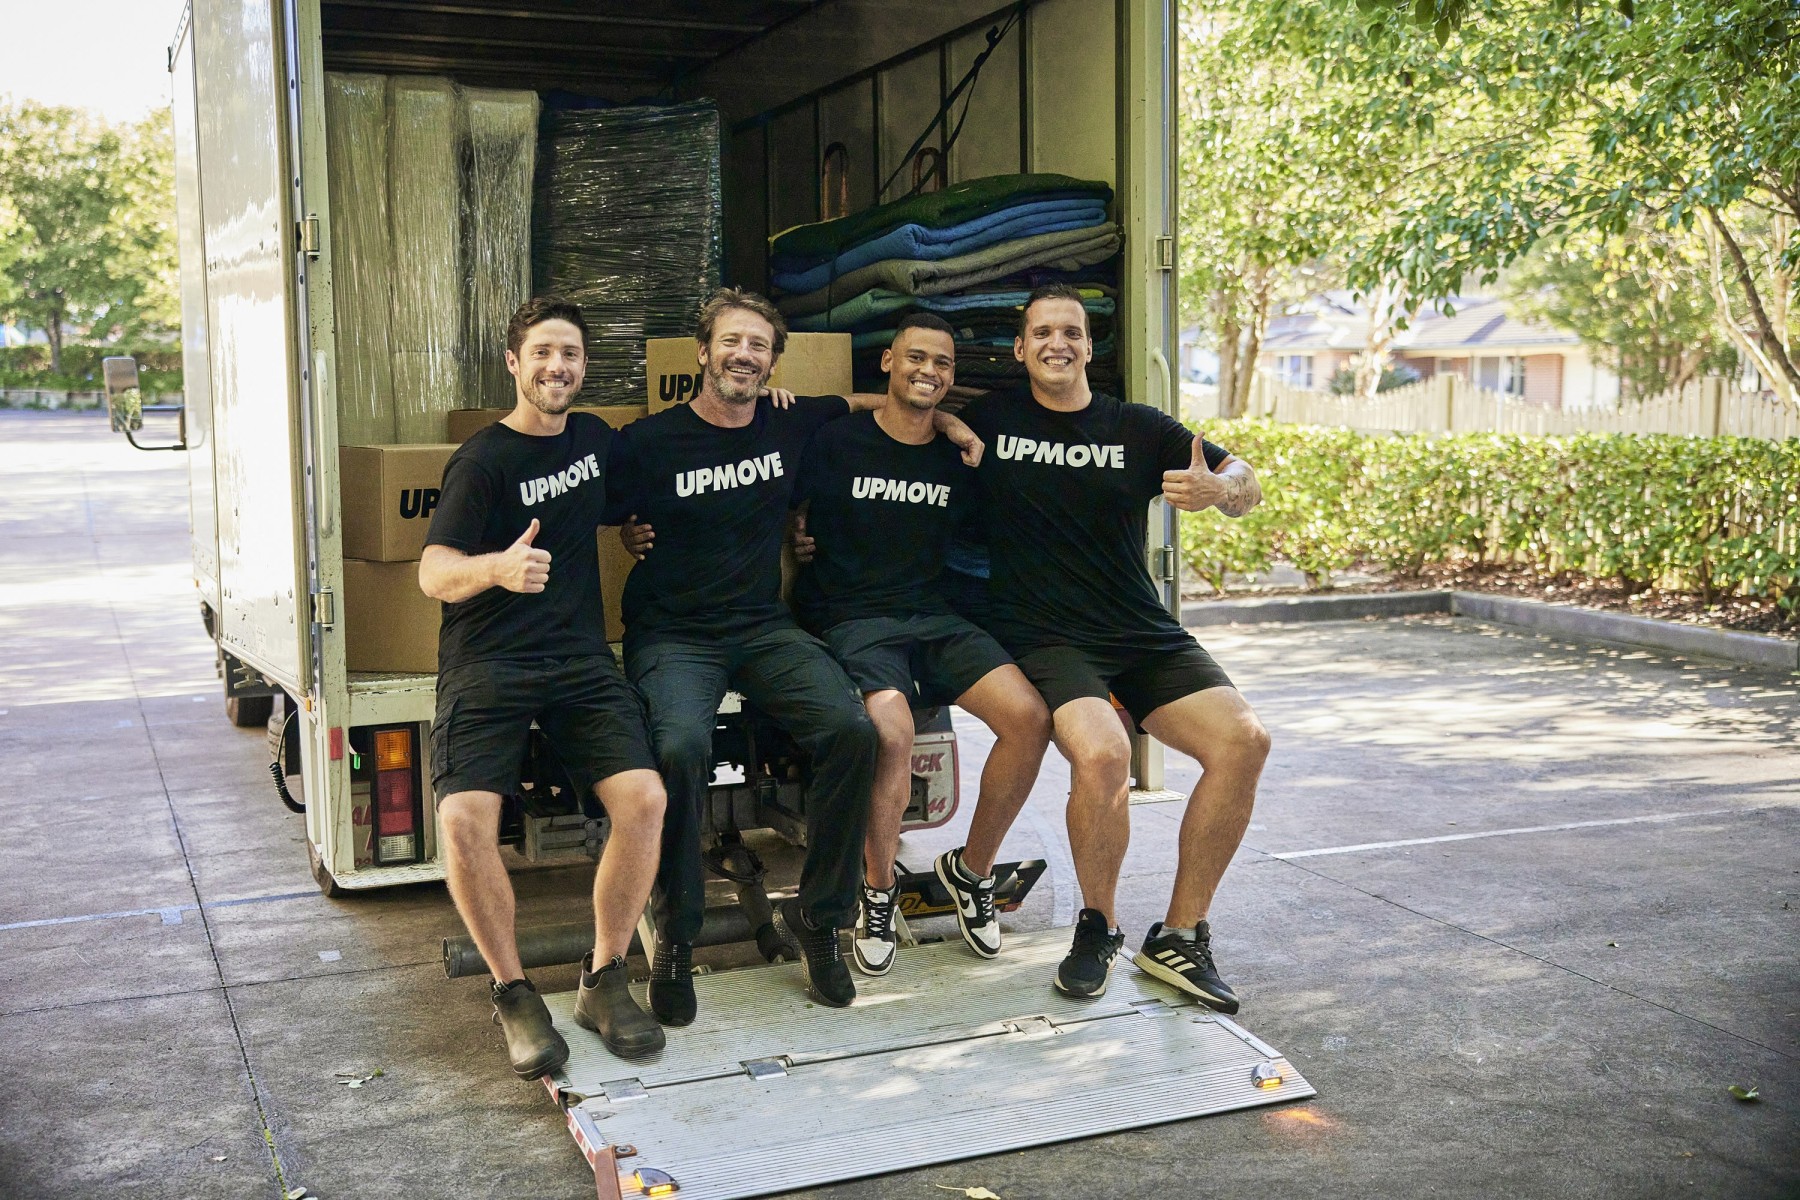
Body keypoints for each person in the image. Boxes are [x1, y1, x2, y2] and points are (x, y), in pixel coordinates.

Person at [605, 288, 981, 1015]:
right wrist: (627, 530)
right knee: (679, 748)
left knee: (850, 731)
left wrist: (954, 419)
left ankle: (821, 915)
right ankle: (676, 934)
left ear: (774, 361)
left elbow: (884, 399)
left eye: (758, 346)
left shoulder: (792, 421)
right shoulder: (648, 443)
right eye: (731, 342)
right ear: (703, 351)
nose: (744, 355)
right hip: (674, 633)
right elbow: (602, 507)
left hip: (760, 626)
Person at [956, 282, 1269, 1010]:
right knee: (1102, 755)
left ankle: (1181, 938)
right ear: (1020, 348)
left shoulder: (1137, 426)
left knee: (1245, 742)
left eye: (1071, 332)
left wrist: (1220, 492)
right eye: (1042, 333)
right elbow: (915, 436)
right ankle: (1098, 926)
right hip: (1047, 634)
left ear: (1090, 347)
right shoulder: (992, 421)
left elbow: (1244, 477)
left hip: (1140, 628)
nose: (1057, 344)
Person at [418, 296, 666, 1079]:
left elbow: (639, 487)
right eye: (544, 354)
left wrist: (629, 527)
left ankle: (604, 977)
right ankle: (514, 992)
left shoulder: (594, 442)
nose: (558, 367)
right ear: (514, 365)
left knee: (645, 801)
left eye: (572, 355)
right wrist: (496, 568)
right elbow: (432, 572)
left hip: (579, 660)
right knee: (464, 820)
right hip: (488, 660)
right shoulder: (483, 459)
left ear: (583, 368)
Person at [787, 313, 1052, 975]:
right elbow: (776, 503)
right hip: (853, 618)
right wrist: (794, 536)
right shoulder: (834, 441)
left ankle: (972, 871)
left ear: (952, 377)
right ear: (887, 364)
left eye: (941, 362)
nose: (928, 371)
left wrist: (958, 430)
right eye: (915, 358)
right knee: (892, 732)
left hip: (934, 617)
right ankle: (876, 894)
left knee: (1029, 718)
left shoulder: (959, 456)